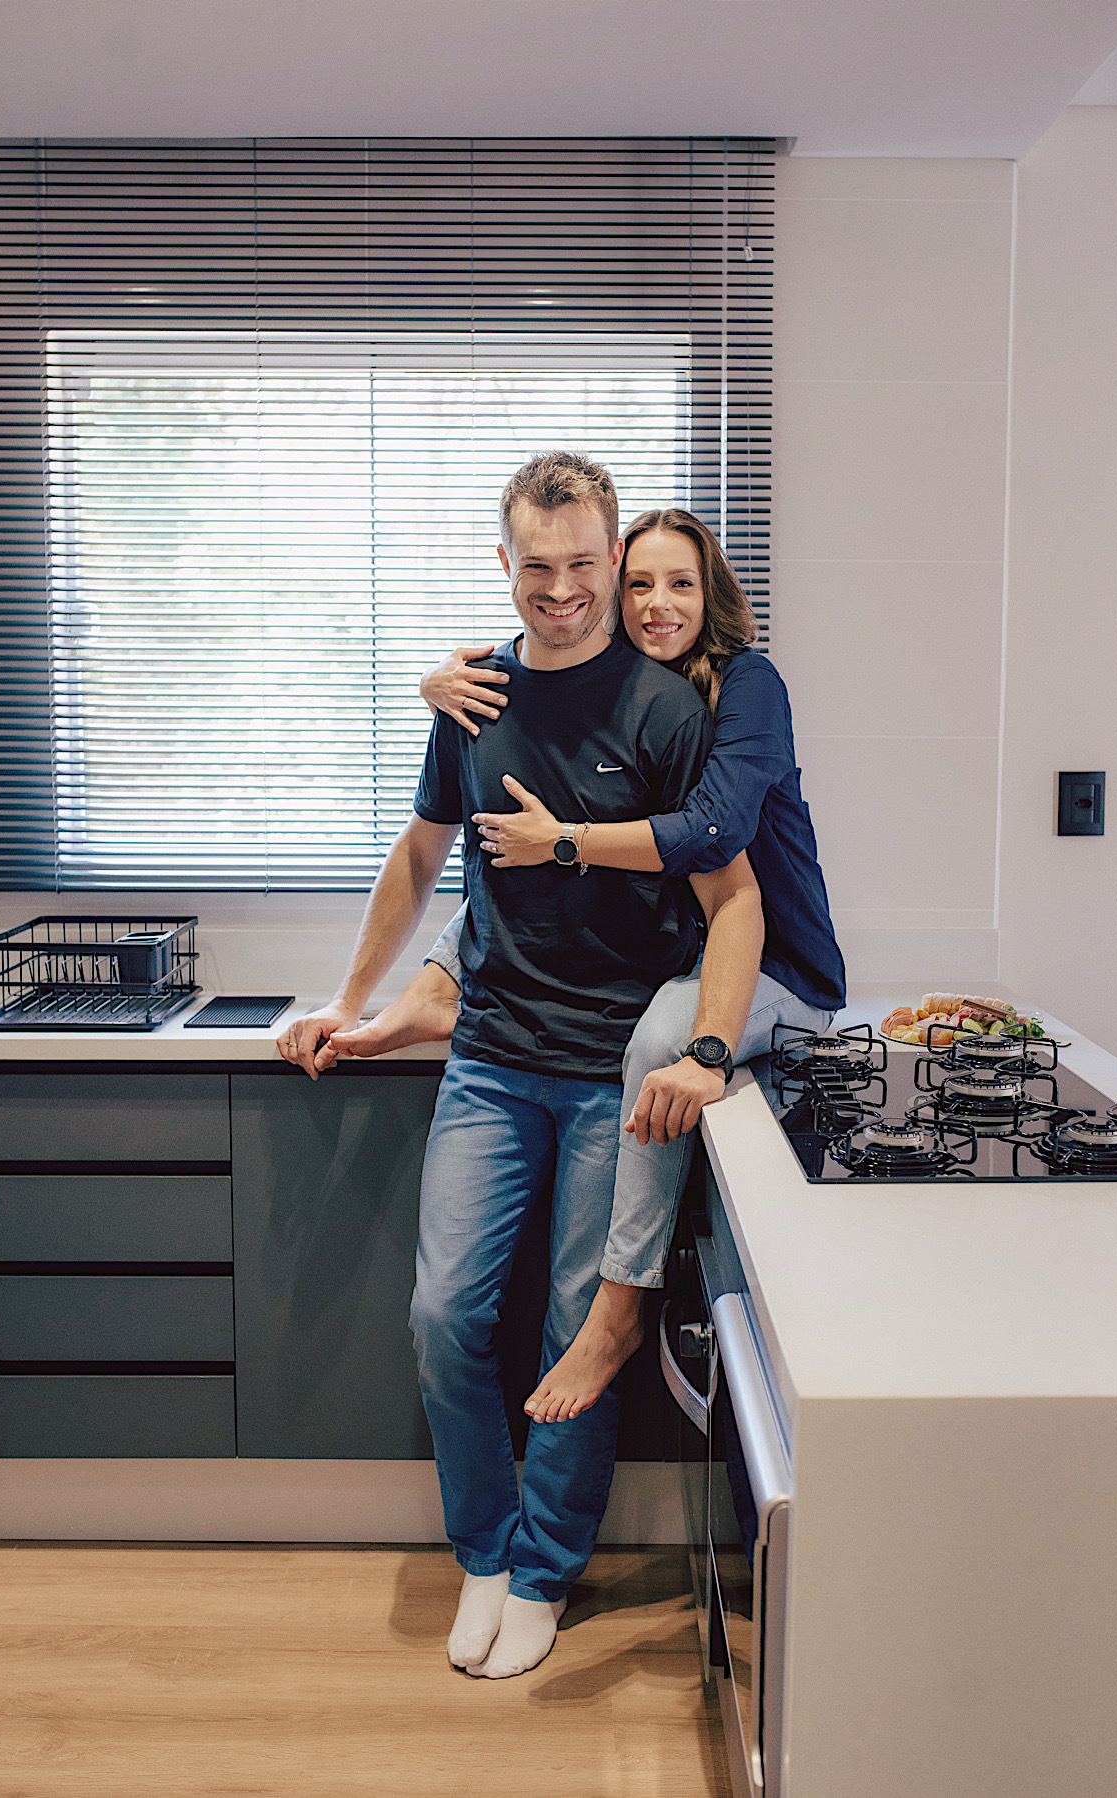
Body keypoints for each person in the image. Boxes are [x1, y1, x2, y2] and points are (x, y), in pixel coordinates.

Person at [280, 455, 764, 1680]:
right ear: (507, 564)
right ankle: (486, 1554)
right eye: (535, 566)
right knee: (444, 1315)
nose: (561, 590)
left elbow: (724, 891)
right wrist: (354, 1004)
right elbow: (422, 854)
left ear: (613, 558)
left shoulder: (665, 708)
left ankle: (545, 1570)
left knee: (571, 1326)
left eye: (582, 564)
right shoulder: (474, 698)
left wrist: (708, 1048)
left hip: (610, 1076)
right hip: (491, 1063)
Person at [365, 506, 847, 1426]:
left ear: (713, 597)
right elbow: (474, 849)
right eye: (641, 585)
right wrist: (443, 680)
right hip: (674, 961)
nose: (657, 604)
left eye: (681, 584)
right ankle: (435, 994)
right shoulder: (622, 695)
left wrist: (569, 846)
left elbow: (711, 837)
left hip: (780, 965)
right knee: (501, 887)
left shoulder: (744, 687)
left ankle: (622, 1303)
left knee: (662, 1033)